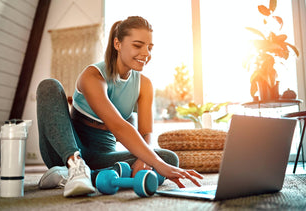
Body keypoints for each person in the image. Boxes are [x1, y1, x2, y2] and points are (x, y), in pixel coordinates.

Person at [36, 16, 203, 197]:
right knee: (49, 86)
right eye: (138, 45)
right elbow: (117, 125)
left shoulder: (144, 85)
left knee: (169, 159)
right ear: (117, 44)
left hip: (103, 155)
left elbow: (146, 132)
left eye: (149, 47)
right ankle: (74, 167)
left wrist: (144, 159)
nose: (146, 53)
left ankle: (75, 176)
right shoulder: (93, 75)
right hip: (66, 149)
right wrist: (157, 164)